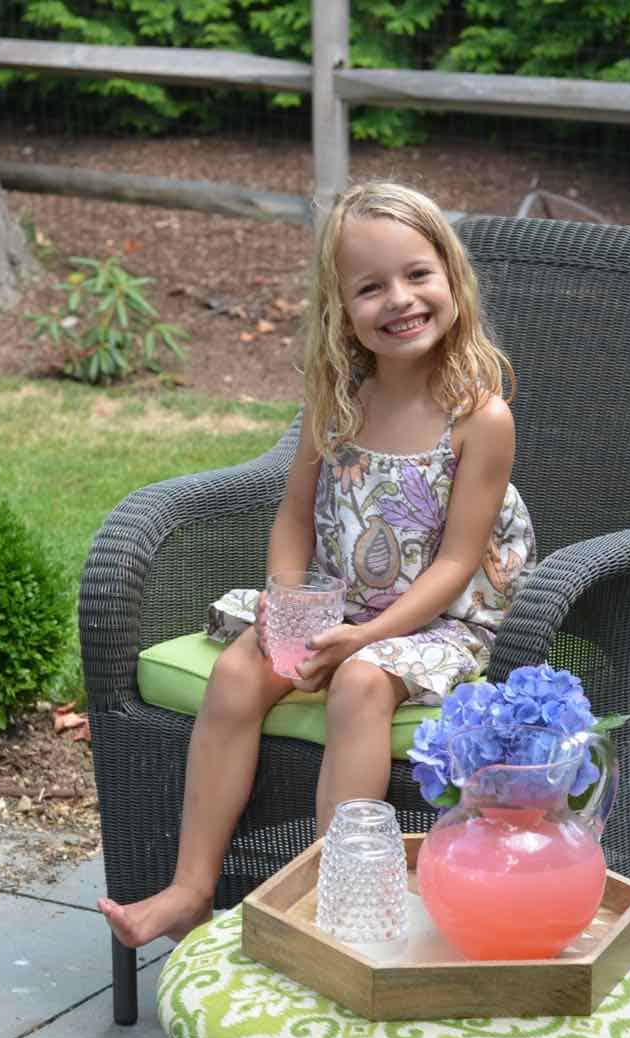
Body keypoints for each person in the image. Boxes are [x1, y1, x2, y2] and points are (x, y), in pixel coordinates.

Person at [98, 180, 536, 948]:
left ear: (451, 279)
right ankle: (190, 888)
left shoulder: (478, 416)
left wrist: (363, 641)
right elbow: (294, 517)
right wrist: (288, 598)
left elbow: (456, 564)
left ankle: (320, 901)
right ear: (341, 308)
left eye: (416, 274)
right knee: (240, 671)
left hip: (437, 619)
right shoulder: (334, 400)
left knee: (361, 686)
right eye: (370, 287)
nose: (399, 299)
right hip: (344, 604)